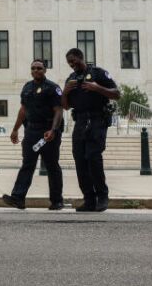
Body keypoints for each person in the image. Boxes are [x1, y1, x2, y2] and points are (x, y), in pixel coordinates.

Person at [62, 48, 120, 212]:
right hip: (80, 121)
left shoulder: (98, 73)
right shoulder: (71, 79)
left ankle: (102, 196)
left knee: (93, 158)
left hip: (97, 120)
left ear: (81, 57)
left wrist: (97, 88)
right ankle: (89, 199)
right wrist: (66, 91)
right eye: (69, 63)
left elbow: (117, 94)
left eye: (74, 61)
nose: (72, 65)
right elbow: (65, 106)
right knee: (80, 161)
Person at [3, 60, 65, 211]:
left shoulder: (52, 88)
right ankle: (18, 198)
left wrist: (53, 130)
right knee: (27, 165)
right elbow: (23, 110)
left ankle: (57, 201)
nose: (36, 70)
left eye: (39, 68)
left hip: (47, 132)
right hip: (31, 131)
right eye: (33, 68)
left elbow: (58, 110)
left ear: (45, 70)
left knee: (51, 166)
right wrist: (15, 129)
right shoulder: (27, 87)